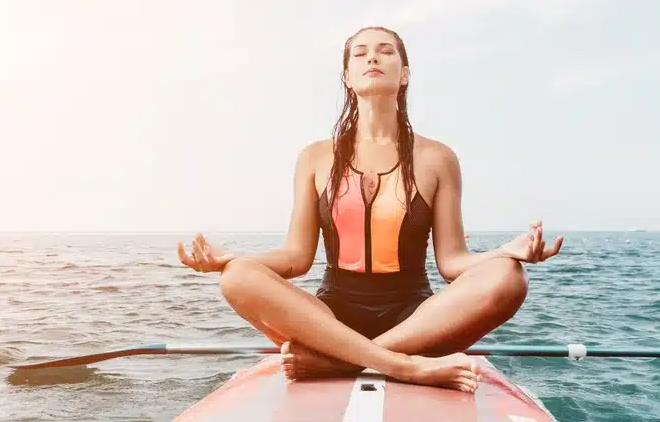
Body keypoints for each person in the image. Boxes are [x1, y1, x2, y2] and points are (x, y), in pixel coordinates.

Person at [177, 26, 563, 394]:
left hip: (415, 320)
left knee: (508, 277)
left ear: (405, 73)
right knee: (236, 276)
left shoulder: (438, 158)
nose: (372, 58)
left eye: (386, 51)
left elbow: (452, 262)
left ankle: (340, 362)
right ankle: (403, 366)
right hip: (329, 318)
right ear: (347, 76)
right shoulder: (314, 157)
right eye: (360, 54)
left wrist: (506, 253)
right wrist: (232, 258)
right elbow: (296, 258)